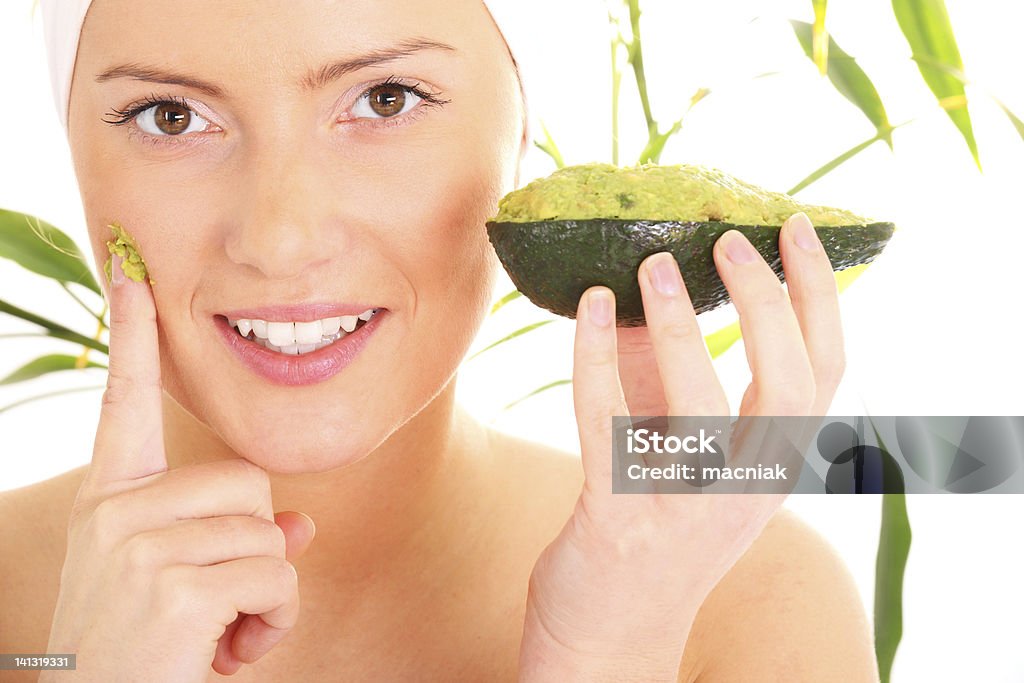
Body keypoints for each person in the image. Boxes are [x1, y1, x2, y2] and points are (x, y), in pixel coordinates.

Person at [0, 0, 878, 680]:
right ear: (68, 149)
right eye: (168, 116)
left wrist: (608, 651)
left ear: (522, 134)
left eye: (386, 99)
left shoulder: (753, 608)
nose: (280, 238)